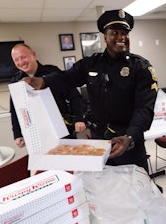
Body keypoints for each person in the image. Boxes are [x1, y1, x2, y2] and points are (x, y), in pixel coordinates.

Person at [23, 9, 158, 173]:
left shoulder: (141, 68)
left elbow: (144, 108)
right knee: (104, 187)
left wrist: (130, 138)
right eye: (115, 32)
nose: (121, 37)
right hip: (99, 140)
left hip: (127, 142)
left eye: (125, 33)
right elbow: (67, 78)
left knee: (137, 189)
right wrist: (44, 81)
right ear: (105, 37)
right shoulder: (90, 64)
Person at [10, 43, 86, 148]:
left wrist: (79, 118)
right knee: (45, 163)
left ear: (33, 54)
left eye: (23, 57)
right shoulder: (15, 81)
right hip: (37, 134)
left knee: (69, 161)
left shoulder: (52, 72)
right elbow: (15, 110)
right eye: (16, 60)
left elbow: (74, 96)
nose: (21, 62)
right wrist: (17, 134)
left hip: (62, 128)